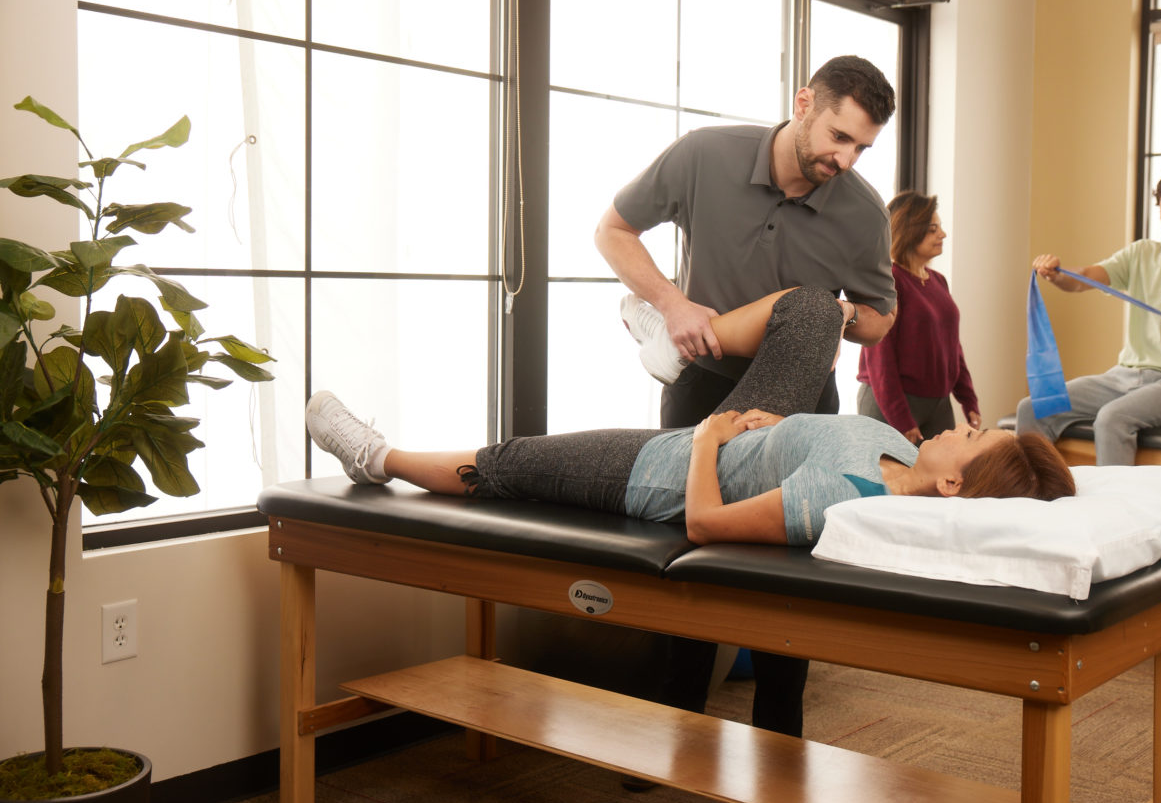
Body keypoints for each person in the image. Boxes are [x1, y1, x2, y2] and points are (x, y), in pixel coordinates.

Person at [596, 55, 900, 738]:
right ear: (803, 103)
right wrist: (671, 303)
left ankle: (780, 743)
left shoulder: (862, 211)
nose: (846, 159)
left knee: (788, 576)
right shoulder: (706, 155)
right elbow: (612, 230)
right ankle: (677, 728)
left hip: (803, 404)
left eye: (861, 147)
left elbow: (882, 318)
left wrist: (833, 315)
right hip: (702, 384)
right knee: (687, 558)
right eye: (838, 136)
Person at [308, 287, 1074, 547]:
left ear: (951, 488)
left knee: (507, 463)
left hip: (662, 470)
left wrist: (707, 438)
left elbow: (705, 524)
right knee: (814, 312)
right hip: (754, 429)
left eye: (971, 439)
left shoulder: (848, 499)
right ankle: (671, 349)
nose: (962, 427)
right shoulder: (898, 456)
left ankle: (377, 457)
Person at [1014, 169, 1161, 466]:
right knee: (1032, 408)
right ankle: (1032, 494)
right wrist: (1056, 274)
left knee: (1112, 418)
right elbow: (1084, 278)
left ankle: (1114, 509)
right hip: (1124, 377)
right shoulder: (1141, 252)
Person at [856, 191, 980, 444]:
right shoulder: (890, 280)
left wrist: (968, 399)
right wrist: (901, 418)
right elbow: (880, 357)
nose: (942, 234)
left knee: (939, 481)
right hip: (891, 404)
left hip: (937, 403)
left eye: (940, 227)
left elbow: (952, 346)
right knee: (891, 482)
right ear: (910, 230)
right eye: (933, 228)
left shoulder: (938, 281)